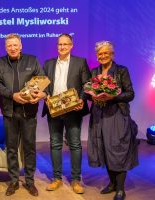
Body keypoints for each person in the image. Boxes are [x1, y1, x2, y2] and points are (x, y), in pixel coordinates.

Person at [0, 33, 46, 197]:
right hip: (9, 112)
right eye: (9, 46)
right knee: (12, 148)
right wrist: (12, 95)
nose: (13, 48)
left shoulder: (32, 60)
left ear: (20, 46)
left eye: (15, 45)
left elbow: (42, 80)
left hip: (29, 112)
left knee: (29, 148)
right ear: (5, 47)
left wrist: (40, 94)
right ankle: (14, 180)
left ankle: (30, 181)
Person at [87, 41, 139, 200]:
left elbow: (130, 94)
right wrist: (91, 95)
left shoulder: (122, 71)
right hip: (99, 115)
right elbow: (89, 91)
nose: (102, 56)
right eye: (100, 54)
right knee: (104, 148)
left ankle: (120, 189)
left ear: (112, 54)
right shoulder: (94, 71)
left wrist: (113, 96)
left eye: (106, 53)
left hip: (117, 115)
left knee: (118, 150)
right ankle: (112, 183)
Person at [42, 33, 91, 194]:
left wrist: (81, 100)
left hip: (73, 110)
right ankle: (57, 178)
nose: (62, 47)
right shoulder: (48, 63)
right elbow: (44, 86)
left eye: (65, 44)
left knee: (75, 144)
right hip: (53, 110)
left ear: (71, 45)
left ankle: (76, 180)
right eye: (59, 44)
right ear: (57, 46)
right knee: (55, 143)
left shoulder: (80, 62)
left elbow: (87, 84)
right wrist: (46, 96)